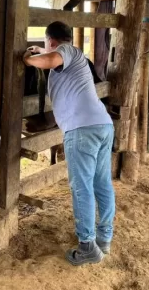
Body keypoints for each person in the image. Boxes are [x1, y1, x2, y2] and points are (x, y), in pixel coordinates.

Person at [23, 21, 115, 266]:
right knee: (101, 183)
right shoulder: (76, 57)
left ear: (51, 40)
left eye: (47, 45)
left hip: (82, 129)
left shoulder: (68, 51)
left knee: (81, 187)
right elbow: (53, 58)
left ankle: (87, 246)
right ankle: (104, 238)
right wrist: (40, 52)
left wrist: (28, 59)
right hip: (102, 125)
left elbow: (52, 60)